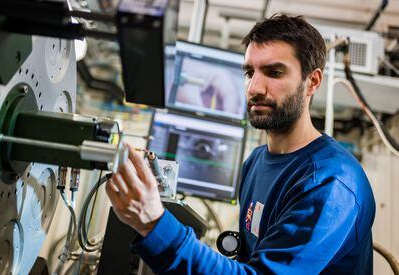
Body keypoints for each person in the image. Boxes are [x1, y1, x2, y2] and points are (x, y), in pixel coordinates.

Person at [106, 14, 376, 274]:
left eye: (274, 72)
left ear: (312, 82)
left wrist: (155, 223)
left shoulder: (330, 183)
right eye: (249, 72)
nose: (254, 88)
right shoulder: (256, 162)